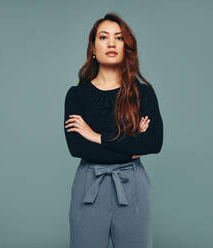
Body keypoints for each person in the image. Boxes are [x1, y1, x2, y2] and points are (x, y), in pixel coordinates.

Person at [63, 12, 163, 248]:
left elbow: (153, 143)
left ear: (126, 47)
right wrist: (131, 145)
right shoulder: (76, 95)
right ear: (93, 49)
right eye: (103, 37)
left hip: (133, 184)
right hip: (89, 184)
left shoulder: (143, 94)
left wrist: (96, 137)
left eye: (118, 38)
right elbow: (77, 147)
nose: (110, 43)